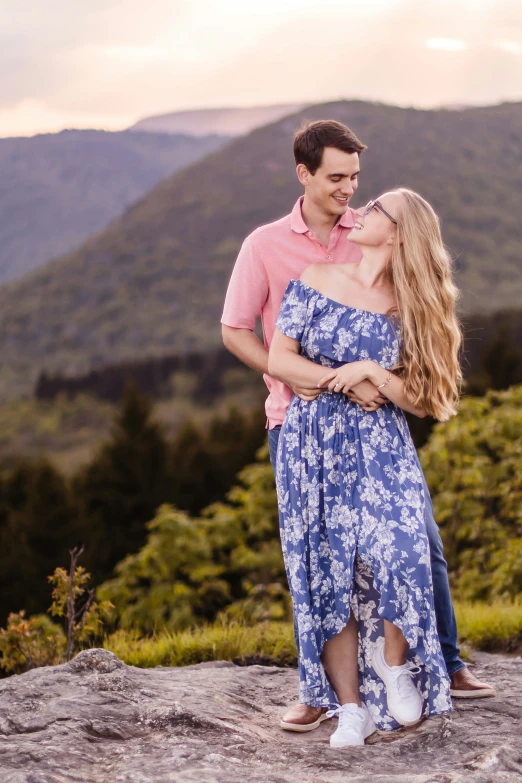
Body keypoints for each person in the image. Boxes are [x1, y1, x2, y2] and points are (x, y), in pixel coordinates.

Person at [221, 121, 494, 735]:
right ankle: (326, 694)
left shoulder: (371, 242)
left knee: (415, 545)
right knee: (319, 563)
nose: (350, 192)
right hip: (298, 423)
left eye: (356, 180)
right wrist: (333, 377)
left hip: (378, 437)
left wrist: (373, 375)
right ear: (305, 175)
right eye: (337, 178)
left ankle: (439, 665)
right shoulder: (266, 246)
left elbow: (422, 367)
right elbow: (241, 333)